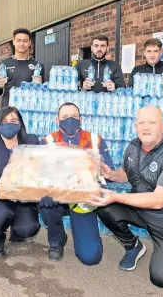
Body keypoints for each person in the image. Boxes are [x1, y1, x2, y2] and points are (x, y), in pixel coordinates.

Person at [89, 105, 163, 288]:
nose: (146, 127)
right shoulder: (133, 146)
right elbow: (128, 174)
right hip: (141, 210)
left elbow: (158, 200)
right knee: (103, 206)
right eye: (142, 123)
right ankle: (133, 246)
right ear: (136, 126)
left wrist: (116, 196)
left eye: (152, 122)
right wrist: (112, 175)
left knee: (160, 278)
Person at [38, 102, 115, 264]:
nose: (69, 120)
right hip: (57, 196)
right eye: (65, 117)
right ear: (57, 121)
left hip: (83, 200)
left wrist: (95, 174)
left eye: (74, 117)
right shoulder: (47, 142)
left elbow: (108, 174)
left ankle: (85, 236)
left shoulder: (95, 141)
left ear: (81, 119)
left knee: (90, 257)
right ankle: (57, 239)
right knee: (46, 205)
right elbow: (39, 173)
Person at [0, 106, 41, 258]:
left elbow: (40, 169)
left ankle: (17, 231)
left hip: (24, 198)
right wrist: (4, 187)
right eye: (4, 121)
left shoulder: (31, 141)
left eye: (13, 120)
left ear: (20, 124)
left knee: (28, 228)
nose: (9, 124)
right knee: (0, 214)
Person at [0, 28, 45, 107]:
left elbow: (43, 93)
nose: (22, 43)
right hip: (9, 112)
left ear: (29, 43)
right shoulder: (4, 64)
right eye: (18, 40)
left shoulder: (37, 66)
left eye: (25, 41)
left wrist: (40, 86)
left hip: (29, 110)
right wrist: (0, 86)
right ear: (13, 42)